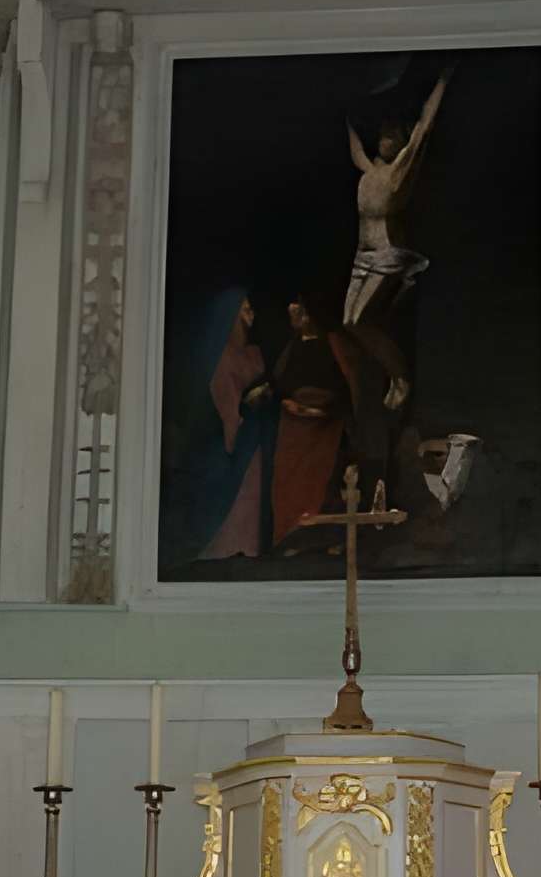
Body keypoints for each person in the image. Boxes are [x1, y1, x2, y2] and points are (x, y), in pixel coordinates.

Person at [165, 287, 274, 565]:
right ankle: (225, 547)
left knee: (253, 496)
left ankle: (248, 546)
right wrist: (235, 435)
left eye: (251, 309)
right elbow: (227, 403)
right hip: (233, 442)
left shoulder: (253, 355)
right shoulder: (222, 358)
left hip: (255, 439)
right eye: (245, 309)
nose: (251, 315)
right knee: (234, 495)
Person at [344, 68, 449, 325]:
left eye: (391, 136)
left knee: (359, 322)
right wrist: (343, 117)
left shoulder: (398, 171)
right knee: (347, 321)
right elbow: (356, 150)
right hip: (362, 256)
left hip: (384, 255)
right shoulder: (370, 172)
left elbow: (423, 127)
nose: (384, 139)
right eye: (383, 135)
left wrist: (444, 80)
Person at [268, 296, 355, 552]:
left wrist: (318, 410)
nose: (292, 312)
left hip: (325, 429)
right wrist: (287, 402)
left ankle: (325, 541)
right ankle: (291, 538)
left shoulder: (334, 345)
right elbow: (281, 384)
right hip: (293, 429)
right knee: (288, 484)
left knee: (323, 483)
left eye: (299, 307)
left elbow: (346, 390)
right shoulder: (291, 347)